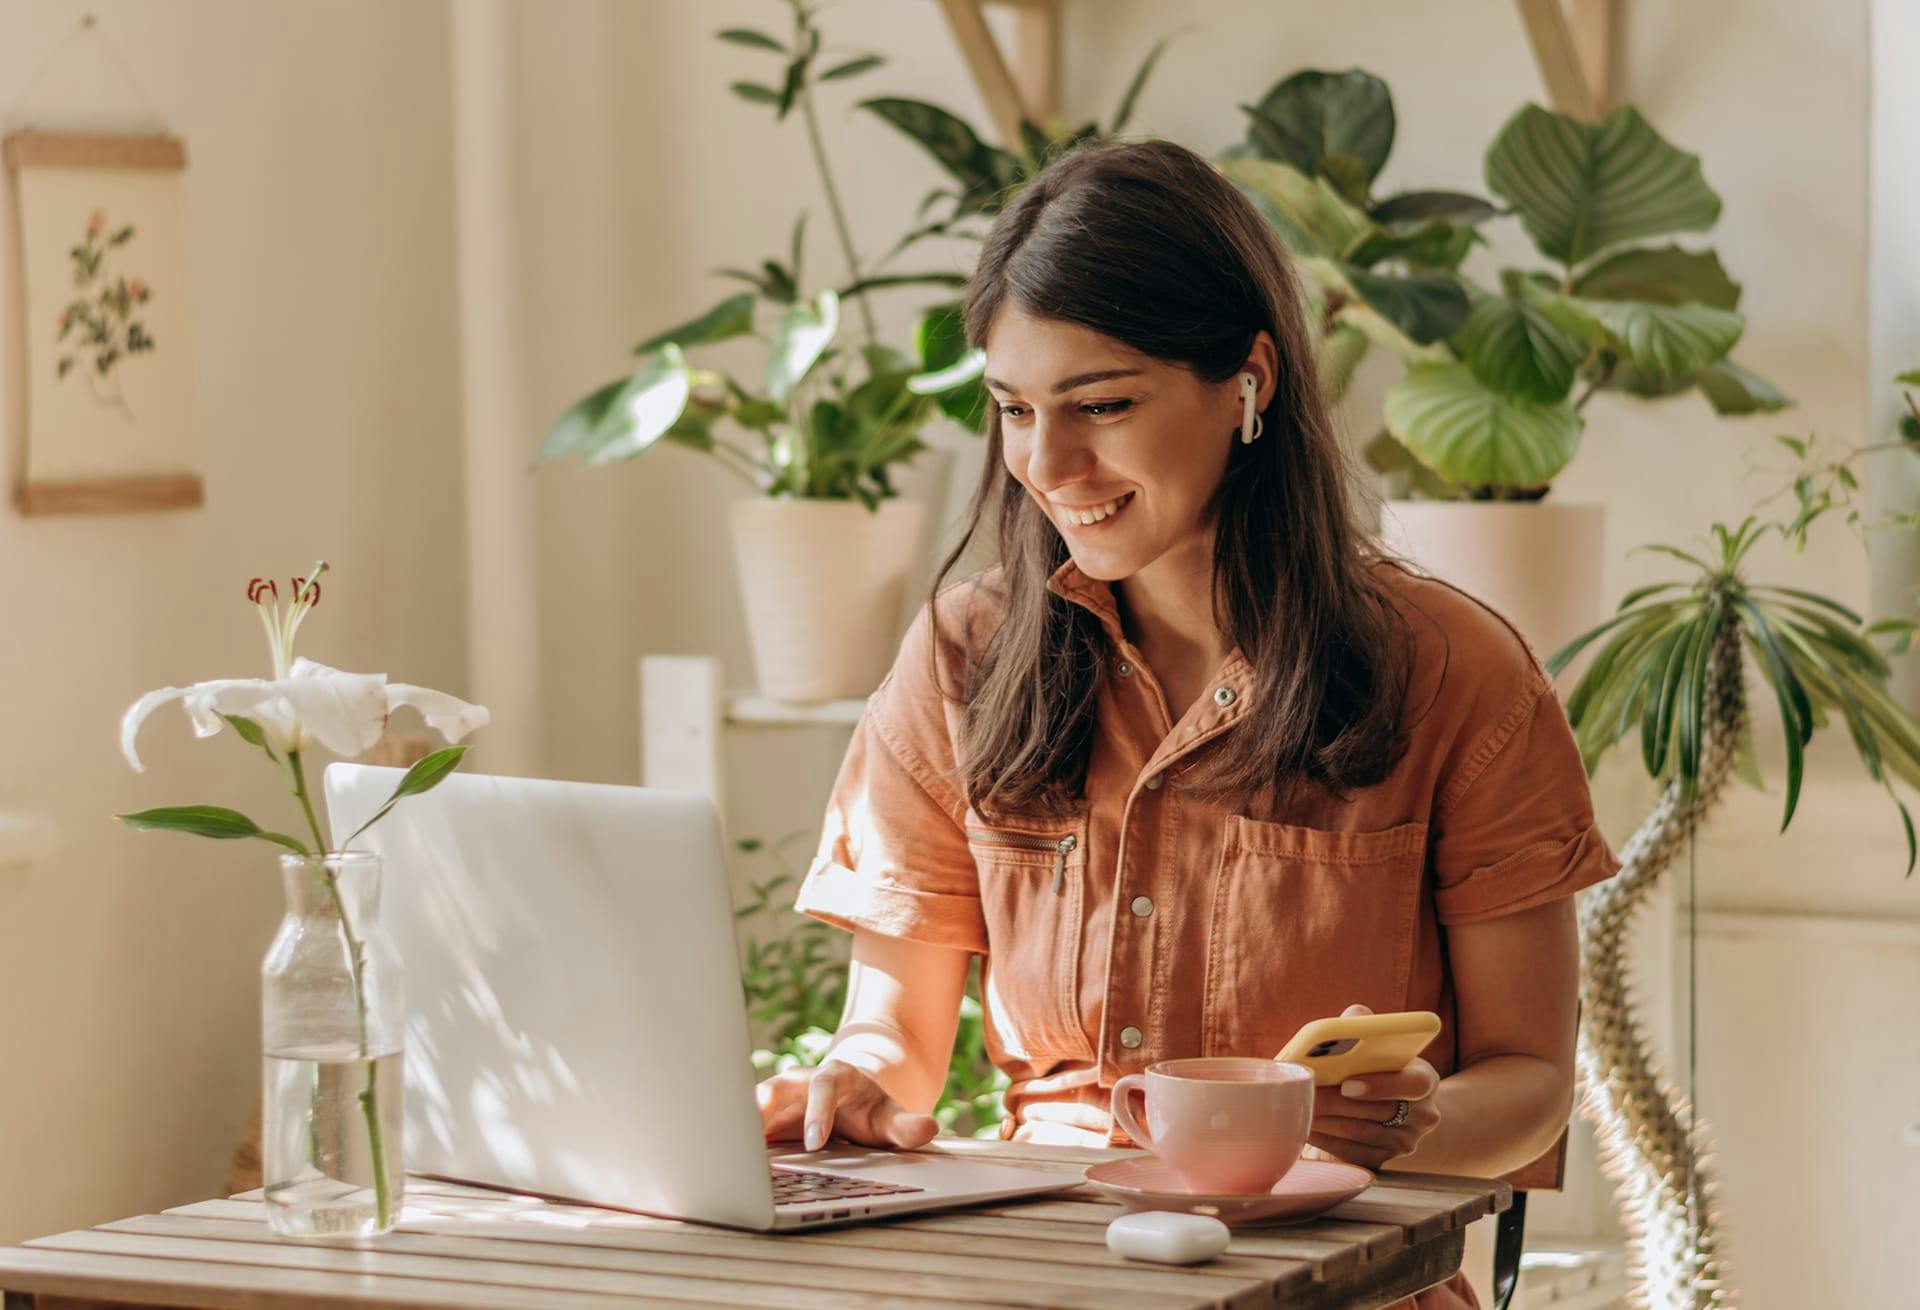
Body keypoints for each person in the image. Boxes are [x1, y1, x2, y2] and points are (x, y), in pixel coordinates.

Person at [754, 137, 1621, 1310]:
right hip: (1042, 1272)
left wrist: (1394, 1125)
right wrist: (848, 1086)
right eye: (1013, 408)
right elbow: (891, 1037)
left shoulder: (1454, 670)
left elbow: (1532, 1076)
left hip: (1336, 1281)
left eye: (1100, 404)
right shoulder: (967, 654)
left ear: (1248, 380)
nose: (1047, 464)